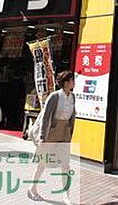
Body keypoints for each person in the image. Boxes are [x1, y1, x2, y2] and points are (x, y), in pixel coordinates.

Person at [28, 71, 76, 203]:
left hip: (64, 132)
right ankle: (32, 188)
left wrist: (70, 133)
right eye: (72, 80)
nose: (74, 82)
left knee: (65, 165)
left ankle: (66, 195)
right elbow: (45, 117)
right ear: (66, 82)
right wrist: (42, 137)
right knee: (42, 163)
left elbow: (72, 116)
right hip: (51, 132)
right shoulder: (54, 96)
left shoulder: (72, 96)